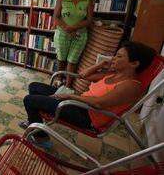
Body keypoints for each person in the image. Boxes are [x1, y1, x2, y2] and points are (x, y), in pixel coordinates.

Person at [19, 42, 155, 148]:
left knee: (29, 100)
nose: (113, 58)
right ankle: (34, 123)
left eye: (119, 56)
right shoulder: (114, 74)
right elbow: (83, 75)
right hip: (80, 103)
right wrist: (100, 64)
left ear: (135, 63)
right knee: (34, 86)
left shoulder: (131, 86)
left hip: (87, 115)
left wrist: (70, 96)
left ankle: (41, 138)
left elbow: (99, 103)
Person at [53, 0, 94, 87]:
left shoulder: (88, 1)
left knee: (73, 60)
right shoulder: (62, 0)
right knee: (61, 58)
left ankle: (68, 85)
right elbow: (56, 18)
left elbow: (89, 20)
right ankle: (59, 79)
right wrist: (68, 29)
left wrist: (74, 28)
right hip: (62, 33)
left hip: (80, 35)